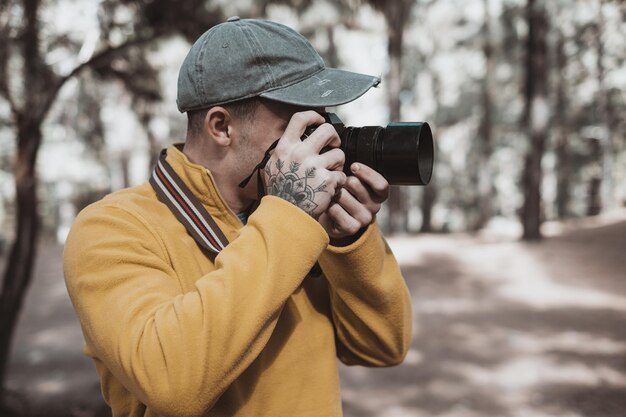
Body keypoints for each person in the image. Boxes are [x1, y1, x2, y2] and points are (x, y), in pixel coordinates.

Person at [64, 17, 412, 417]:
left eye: (321, 122)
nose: (321, 143)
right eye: (298, 128)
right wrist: (289, 216)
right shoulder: (113, 227)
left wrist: (350, 243)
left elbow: (384, 347)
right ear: (221, 126)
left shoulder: (298, 217)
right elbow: (171, 383)